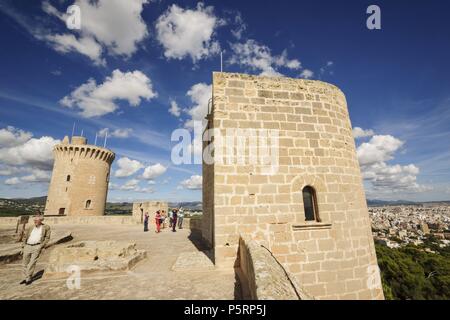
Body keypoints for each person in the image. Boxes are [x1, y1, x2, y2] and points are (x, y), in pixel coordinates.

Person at [21, 214, 51, 285]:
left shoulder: (46, 227)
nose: (35, 222)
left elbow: (47, 238)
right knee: (24, 263)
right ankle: (24, 278)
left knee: (32, 263)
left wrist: (41, 246)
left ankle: (28, 278)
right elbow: (25, 237)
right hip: (27, 246)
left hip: (37, 247)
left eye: (36, 220)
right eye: (34, 220)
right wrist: (23, 246)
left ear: (41, 220)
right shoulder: (31, 227)